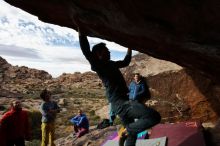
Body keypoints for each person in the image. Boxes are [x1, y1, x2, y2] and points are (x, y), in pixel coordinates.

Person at [78, 27, 161, 146]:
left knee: (132, 135)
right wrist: (81, 32)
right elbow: (86, 51)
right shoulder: (99, 65)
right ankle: (126, 131)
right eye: (107, 50)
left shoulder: (112, 64)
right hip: (121, 103)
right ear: (99, 54)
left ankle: (128, 131)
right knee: (153, 116)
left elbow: (126, 62)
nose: (110, 52)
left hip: (123, 102)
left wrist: (129, 48)